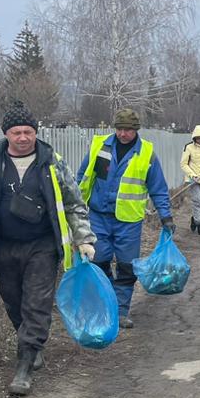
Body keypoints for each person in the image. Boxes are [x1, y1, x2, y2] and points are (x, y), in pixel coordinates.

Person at [0, 104, 96, 396]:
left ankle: (25, 364)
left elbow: (73, 202)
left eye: (28, 132)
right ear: (6, 134)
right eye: (16, 132)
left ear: (35, 132)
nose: (23, 138)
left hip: (42, 245)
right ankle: (32, 343)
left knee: (36, 303)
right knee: (13, 301)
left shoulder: (52, 162)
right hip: (3, 245)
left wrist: (83, 238)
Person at [77, 108, 174, 328]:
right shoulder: (100, 146)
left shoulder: (146, 153)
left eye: (128, 130)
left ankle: (121, 312)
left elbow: (158, 188)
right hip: (99, 216)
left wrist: (165, 215)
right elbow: (83, 176)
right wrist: (74, 208)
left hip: (128, 221)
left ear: (136, 130)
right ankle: (108, 302)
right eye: (119, 129)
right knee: (98, 260)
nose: (123, 134)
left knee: (126, 267)